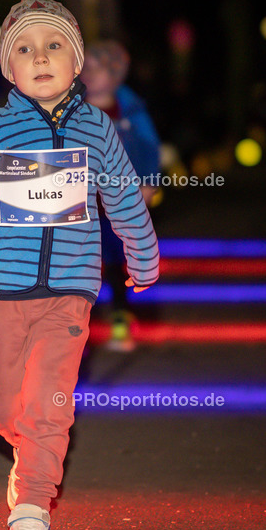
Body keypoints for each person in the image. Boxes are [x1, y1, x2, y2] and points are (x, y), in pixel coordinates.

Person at [0, 0, 159, 530]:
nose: (41, 57)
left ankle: (32, 508)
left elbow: (121, 193)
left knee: (50, 402)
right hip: (0, 293)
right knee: (3, 404)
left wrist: (142, 254)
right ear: (8, 68)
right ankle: (28, 451)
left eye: (55, 45)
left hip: (69, 293)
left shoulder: (97, 129)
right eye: (25, 48)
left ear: (78, 60)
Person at [79, 40, 162, 351]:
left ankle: (120, 318)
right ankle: (72, 325)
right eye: (83, 68)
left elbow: (148, 146)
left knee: (116, 262)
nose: (86, 74)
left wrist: (148, 182)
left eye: (95, 69)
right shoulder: (71, 106)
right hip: (79, 201)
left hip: (117, 203)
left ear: (114, 74)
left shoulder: (131, 109)